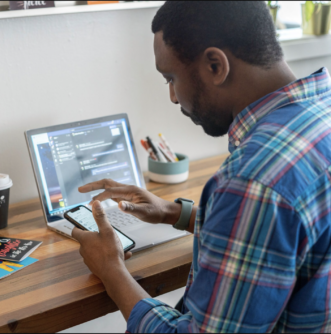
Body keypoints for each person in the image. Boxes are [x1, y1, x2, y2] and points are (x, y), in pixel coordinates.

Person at [72, 1, 331, 333]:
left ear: (214, 65)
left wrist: (112, 270)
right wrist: (175, 213)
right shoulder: (319, 114)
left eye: (171, 78)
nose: (173, 97)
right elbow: (284, 240)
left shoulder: (253, 180)